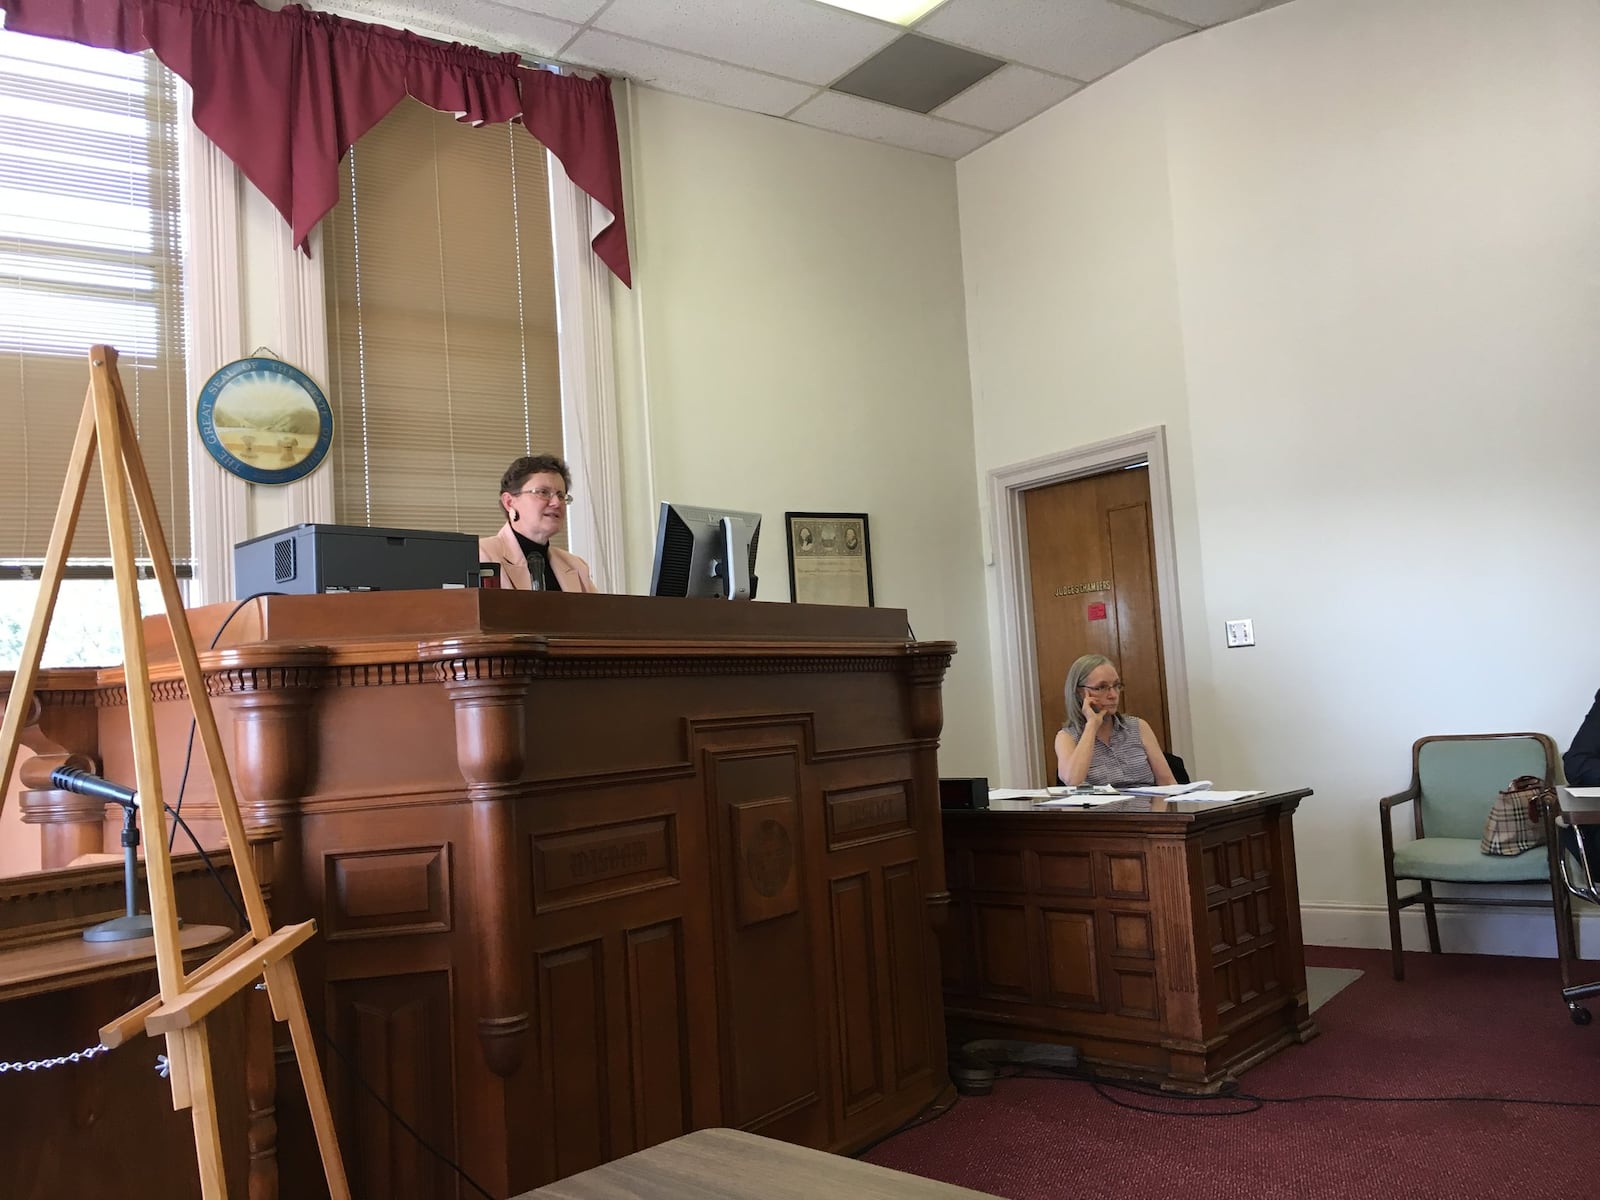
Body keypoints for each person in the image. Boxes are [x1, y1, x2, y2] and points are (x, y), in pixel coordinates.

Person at [479, 454, 599, 593]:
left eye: (561, 495)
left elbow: (598, 614)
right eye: (543, 492)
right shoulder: (482, 555)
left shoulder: (576, 566)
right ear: (509, 502)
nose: (556, 503)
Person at [1054, 653, 1176, 788]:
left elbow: (1167, 782)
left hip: (1144, 807)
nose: (1113, 695)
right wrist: (1091, 726)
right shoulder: (1067, 737)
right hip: (1098, 808)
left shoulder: (1138, 726)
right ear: (1079, 692)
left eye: (1116, 686)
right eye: (1101, 687)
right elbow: (1072, 780)